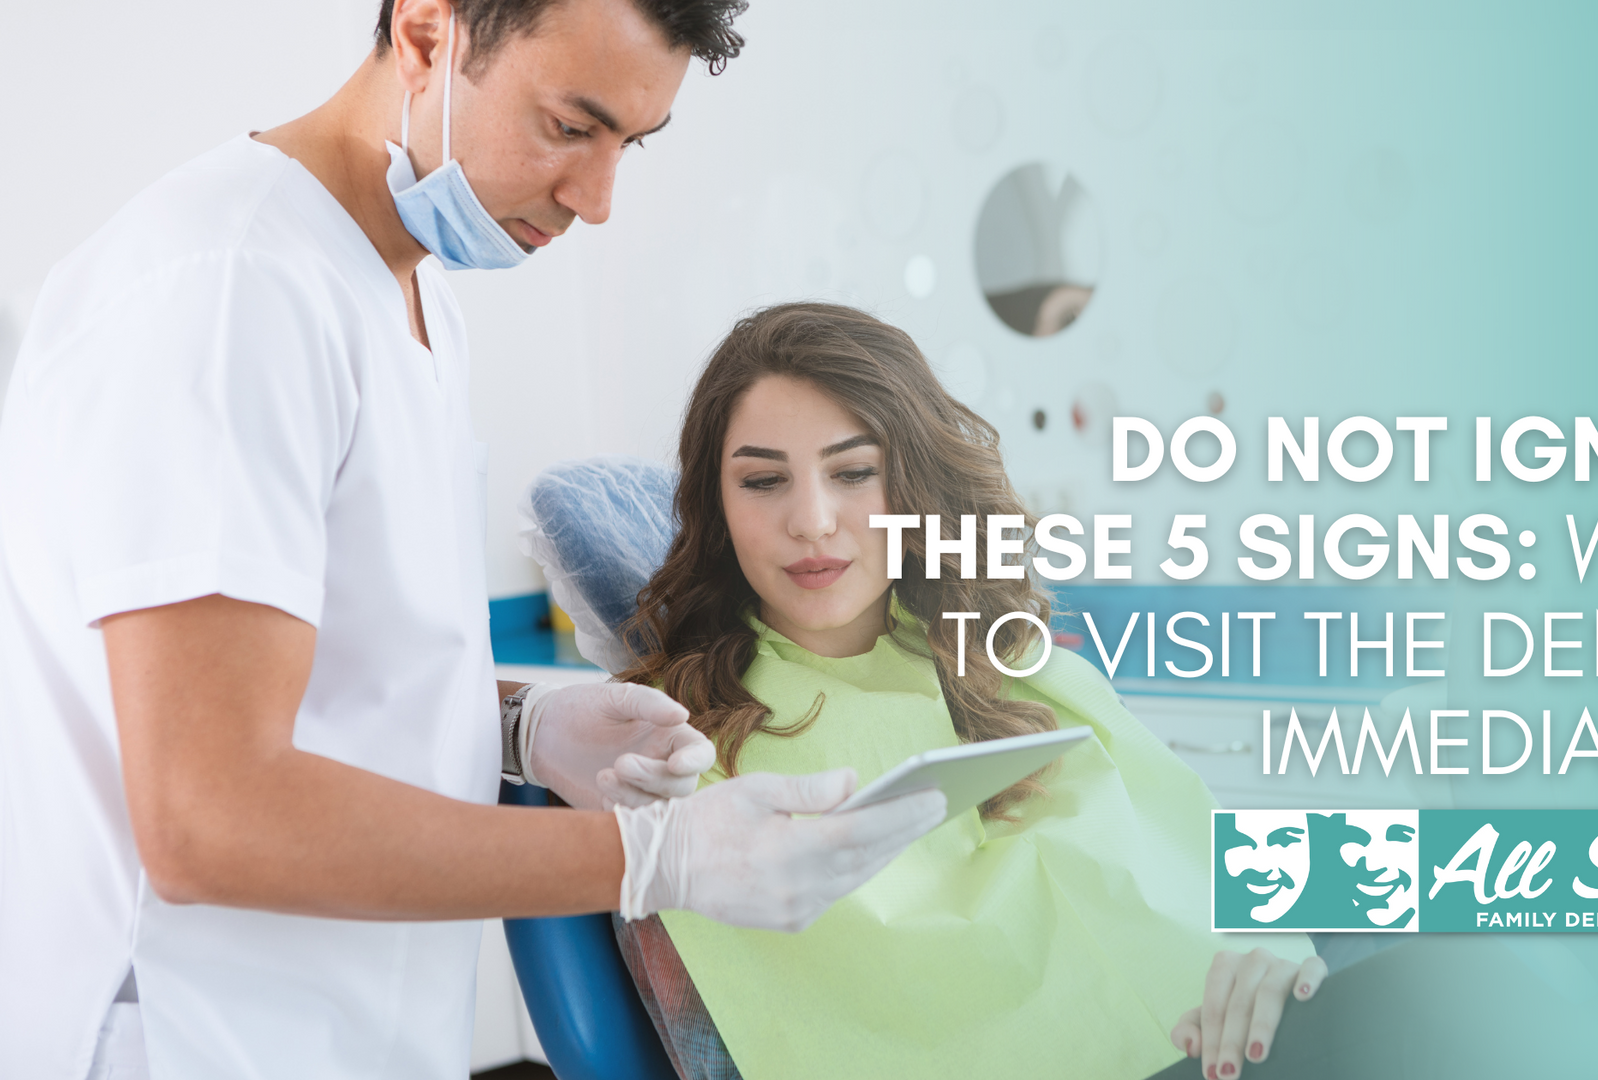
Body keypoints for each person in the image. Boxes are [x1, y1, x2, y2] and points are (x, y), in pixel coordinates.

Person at [0, 3, 944, 1078]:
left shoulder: (410, 295)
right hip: (198, 1038)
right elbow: (210, 816)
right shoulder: (232, 289)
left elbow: (334, 669)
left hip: (359, 1029)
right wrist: (650, 859)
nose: (596, 201)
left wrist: (520, 726)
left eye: (628, 144)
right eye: (570, 126)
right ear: (425, 34)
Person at [600, 302, 1330, 1080]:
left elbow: (1212, 867)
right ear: (718, 506)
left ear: (914, 484)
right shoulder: (686, 749)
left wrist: (1276, 964)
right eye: (763, 480)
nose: (811, 521)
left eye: (853, 472)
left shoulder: (1016, 662)